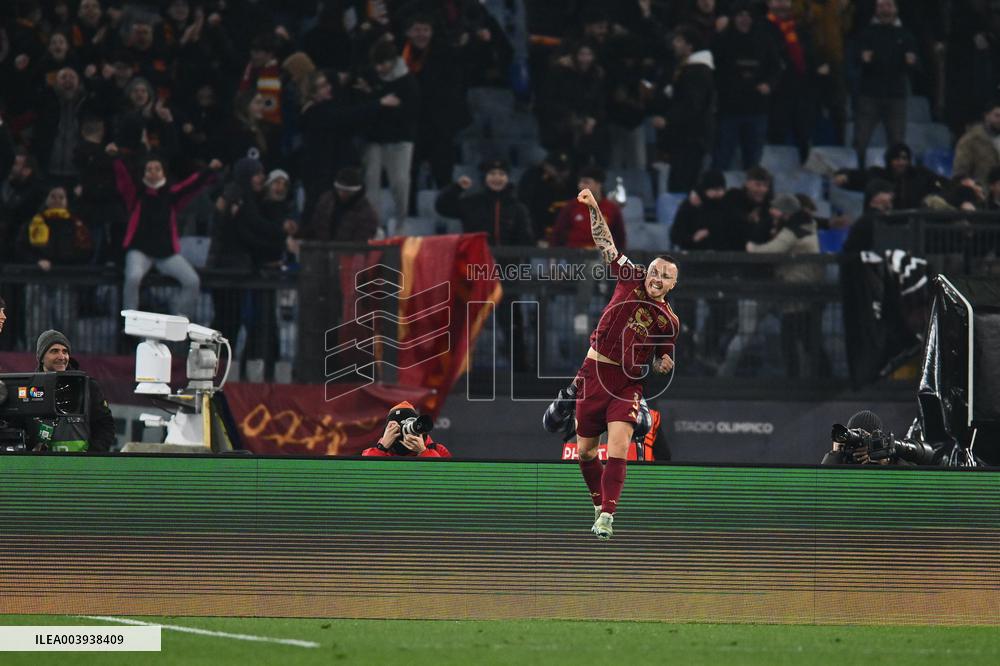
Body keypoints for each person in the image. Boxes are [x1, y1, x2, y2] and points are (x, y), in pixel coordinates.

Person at [571, 188, 679, 540]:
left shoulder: (668, 321)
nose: (656, 277)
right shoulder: (629, 275)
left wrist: (664, 361)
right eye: (654, 270)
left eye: (665, 275)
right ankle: (598, 502)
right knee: (586, 451)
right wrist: (592, 208)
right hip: (593, 372)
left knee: (617, 446)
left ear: (673, 285)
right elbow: (606, 245)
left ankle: (607, 516)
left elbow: (665, 352)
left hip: (626, 383)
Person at [34, 329, 115, 452]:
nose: (62, 357)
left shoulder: (88, 386)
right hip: (38, 467)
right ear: (41, 357)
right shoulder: (29, 387)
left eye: (65, 351)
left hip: (81, 468)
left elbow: (105, 426)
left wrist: (93, 456)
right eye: (54, 351)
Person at [362, 401, 452, 458]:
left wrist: (423, 452)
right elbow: (364, 477)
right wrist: (382, 448)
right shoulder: (375, 452)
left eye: (411, 425)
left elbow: (446, 478)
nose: (407, 432)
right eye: (400, 427)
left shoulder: (437, 450)